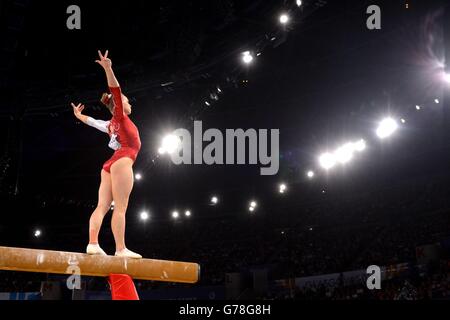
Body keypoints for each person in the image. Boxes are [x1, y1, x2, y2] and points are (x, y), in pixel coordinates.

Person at [71, 50, 142, 259]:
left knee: (102, 206)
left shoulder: (110, 125)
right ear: (118, 106)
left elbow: (91, 121)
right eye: (127, 101)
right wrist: (108, 68)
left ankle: (93, 244)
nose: (130, 104)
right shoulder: (118, 117)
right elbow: (116, 90)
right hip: (122, 160)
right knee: (120, 208)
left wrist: (78, 115)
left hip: (109, 165)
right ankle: (120, 249)